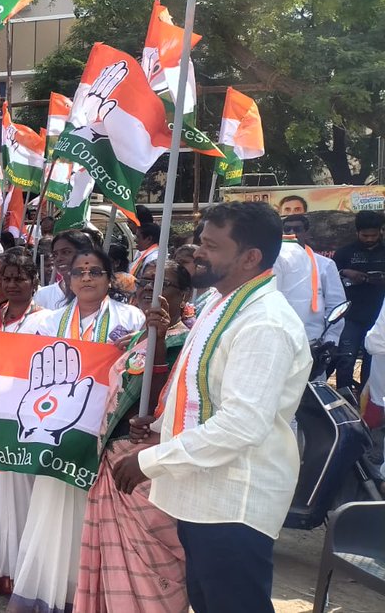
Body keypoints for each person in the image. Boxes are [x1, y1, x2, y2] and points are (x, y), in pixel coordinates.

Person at [112, 201, 310, 613]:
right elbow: (202, 391)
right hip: (203, 495)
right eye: (201, 242)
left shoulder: (264, 322)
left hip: (233, 501)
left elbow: (241, 424)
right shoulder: (221, 303)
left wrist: (151, 460)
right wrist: (161, 426)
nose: (198, 253)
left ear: (250, 257)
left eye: (212, 246)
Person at [8, 248, 144, 612]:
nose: (86, 277)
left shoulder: (131, 318)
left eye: (95, 271)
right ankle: (46, 590)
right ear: (67, 279)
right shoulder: (47, 321)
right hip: (56, 430)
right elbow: (25, 369)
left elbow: (142, 364)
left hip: (104, 429)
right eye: (79, 272)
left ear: (109, 279)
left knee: (94, 512)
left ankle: (88, 595)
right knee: (50, 505)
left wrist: (132, 346)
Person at [73, 259, 190, 613]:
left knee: (151, 561)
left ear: (185, 295)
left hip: (145, 460)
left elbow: (160, 403)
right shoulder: (137, 338)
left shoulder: (185, 342)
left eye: (164, 283)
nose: (151, 289)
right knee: (112, 561)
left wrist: (159, 341)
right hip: (115, 456)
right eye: (146, 281)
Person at [0, 251, 51, 595]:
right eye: (7, 278)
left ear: (34, 282)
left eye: (20, 278)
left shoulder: (46, 321)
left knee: (23, 490)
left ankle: (23, 572)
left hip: (29, 416)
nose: (12, 284)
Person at [333, 210, 385, 392]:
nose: (370, 239)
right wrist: (345, 272)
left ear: (381, 231)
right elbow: (330, 279)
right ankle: (344, 395)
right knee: (346, 357)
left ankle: (366, 397)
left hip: (379, 316)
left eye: (374, 235)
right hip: (351, 315)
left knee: (373, 358)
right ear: (357, 232)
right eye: (365, 235)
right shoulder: (344, 253)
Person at [277, 215, 345, 344]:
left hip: (313, 338)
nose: (292, 234)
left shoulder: (325, 265)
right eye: (287, 229)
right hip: (281, 337)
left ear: (306, 233)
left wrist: (331, 339)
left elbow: (335, 305)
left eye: (297, 229)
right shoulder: (274, 264)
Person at [33, 230, 95, 310]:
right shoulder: (42, 295)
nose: (59, 258)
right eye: (55, 255)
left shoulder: (99, 292)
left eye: (66, 252)